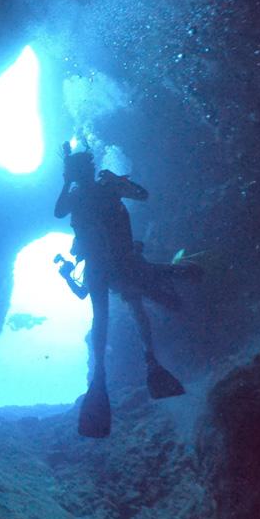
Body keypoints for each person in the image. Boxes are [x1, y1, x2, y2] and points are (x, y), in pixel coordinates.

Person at [54, 142, 196, 438]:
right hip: (107, 264)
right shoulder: (79, 194)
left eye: (80, 170)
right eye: (76, 171)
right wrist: (70, 181)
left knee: (126, 305)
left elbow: (141, 194)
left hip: (115, 262)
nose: (80, 174)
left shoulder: (104, 187)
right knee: (123, 306)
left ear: (88, 169)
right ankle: (133, 363)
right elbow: (58, 212)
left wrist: (119, 182)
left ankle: (135, 362)